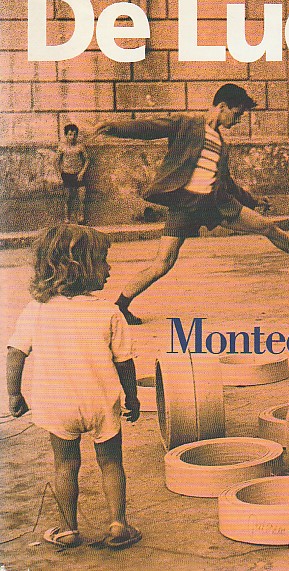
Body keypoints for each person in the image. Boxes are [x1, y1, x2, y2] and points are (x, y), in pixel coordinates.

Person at [96, 83, 289, 325]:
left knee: (267, 227)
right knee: (163, 263)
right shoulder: (186, 124)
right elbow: (149, 127)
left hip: (216, 205)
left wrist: (253, 201)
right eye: (237, 113)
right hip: (184, 206)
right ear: (222, 106)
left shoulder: (221, 144)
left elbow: (227, 183)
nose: (239, 120)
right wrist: (114, 128)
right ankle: (121, 306)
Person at [7, 224, 141, 549]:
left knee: (65, 465)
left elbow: (15, 353)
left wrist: (14, 393)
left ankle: (68, 529)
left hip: (58, 404)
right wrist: (133, 397)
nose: (109, 269)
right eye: (103, 260)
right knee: (111, 462)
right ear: (80, 267)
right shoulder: (109, 312)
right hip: (100, 402)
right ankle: (118, 524)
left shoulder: (36, 310)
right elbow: (125, 362)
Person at [56, 124, 90, 224]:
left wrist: (82, 172)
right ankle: (67, 218)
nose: (72, 137)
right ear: (66, 135)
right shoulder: (62, 147)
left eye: (75, 134)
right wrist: (59, 176)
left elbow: (87, 160)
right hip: (67, 174)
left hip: (78, 175)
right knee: (67, 199)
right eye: (70, 134)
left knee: (82, 198)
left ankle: (81, 217)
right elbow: (56, 161)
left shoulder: (80, 146)